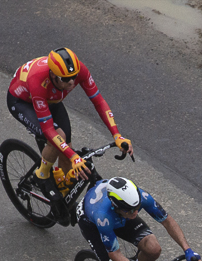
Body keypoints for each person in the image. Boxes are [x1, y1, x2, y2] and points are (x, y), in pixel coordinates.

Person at [7, 47, 132, 215]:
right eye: (66, 79)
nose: (72, 82)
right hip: (23, 101)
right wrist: (74, 157)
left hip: (51, 99)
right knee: (59, 139)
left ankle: (63, 198)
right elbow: (49, 129)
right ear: (53, 75)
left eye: (73, 77)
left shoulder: (78, 70)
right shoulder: (39, 81)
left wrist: (117, 135)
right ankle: (41, 175)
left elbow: (99, 101)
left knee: (67, 149)